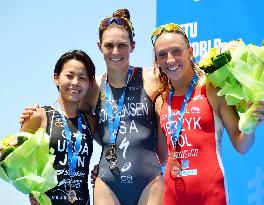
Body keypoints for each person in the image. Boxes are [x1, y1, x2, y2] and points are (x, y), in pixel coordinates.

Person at [20, 9, 165, 205]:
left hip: (148, 179)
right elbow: (71, 118)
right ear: (100, 47)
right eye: (109, 45)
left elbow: (183, 85)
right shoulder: (93, 88)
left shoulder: (152, 78)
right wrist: (35, 114)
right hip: (107, 181)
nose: (115, 51)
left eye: (122, 45)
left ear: (132, 46)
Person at [151, 23, 264, 205]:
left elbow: (241, 145)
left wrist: (251, 120)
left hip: (211, 194)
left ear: (190, 51)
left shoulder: (211, 89)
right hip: (171, 196)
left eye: (177, 51)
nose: (170, 60)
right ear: (157, 60)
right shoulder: (160, 101)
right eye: (162, 55)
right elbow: (160, 157)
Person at [22, 50, 96, 205]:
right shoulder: (38, 116)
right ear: (56, 78)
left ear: (89, 84)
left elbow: (112, 145)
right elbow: (18, 160)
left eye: (82, 78)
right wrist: (31, 189)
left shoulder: (90, 121)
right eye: (69, 76)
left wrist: (101, 171)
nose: (75, 82)